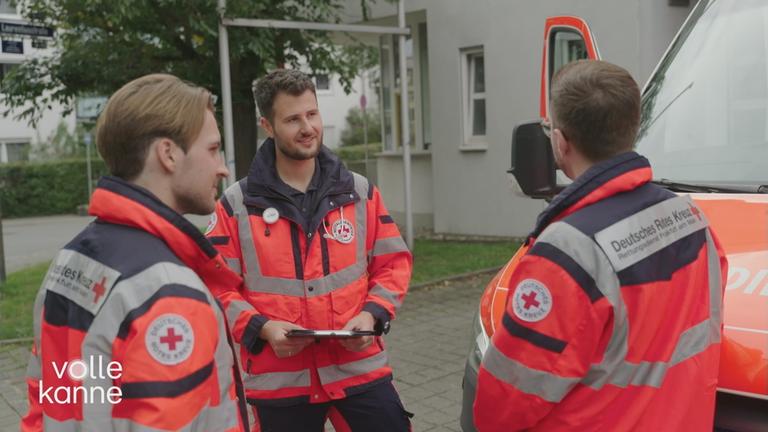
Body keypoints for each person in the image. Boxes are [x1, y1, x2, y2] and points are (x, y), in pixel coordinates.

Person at [473, 60, 728, 431]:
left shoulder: (566, 254)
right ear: (633, 128)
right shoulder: (690, 218)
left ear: (560, 142)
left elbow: (505, 403)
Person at [21, 74, 249, 432]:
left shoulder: (71, 258)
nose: (222, 167)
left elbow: (50, 396)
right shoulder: (167, 293)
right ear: (168, 154)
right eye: (212, 148)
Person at [205, 69, 413, 431]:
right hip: (280, 379)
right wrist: (263, 327)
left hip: (357, 368)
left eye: (312, 114)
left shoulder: (359, 192)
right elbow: (216, 286)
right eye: (292, 119)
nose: (307, 127)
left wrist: (371, 316)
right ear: (267, 125)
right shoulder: (237, 205)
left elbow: (392, 264)